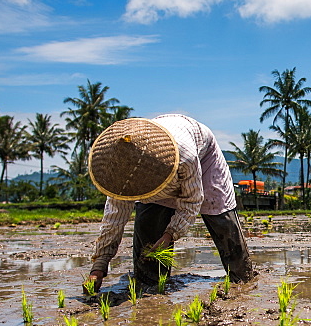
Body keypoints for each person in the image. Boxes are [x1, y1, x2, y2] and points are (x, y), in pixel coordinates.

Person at [86, 115, 253, 290]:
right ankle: (150, 284)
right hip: (159, 162)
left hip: (203, 157)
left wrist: (170, 235)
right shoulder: (122, 172)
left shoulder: (185, 157)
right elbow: (114, 217)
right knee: (148, 225)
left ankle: (242, 278)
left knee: (221, 219)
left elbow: (191, 201)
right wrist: (100, 264)